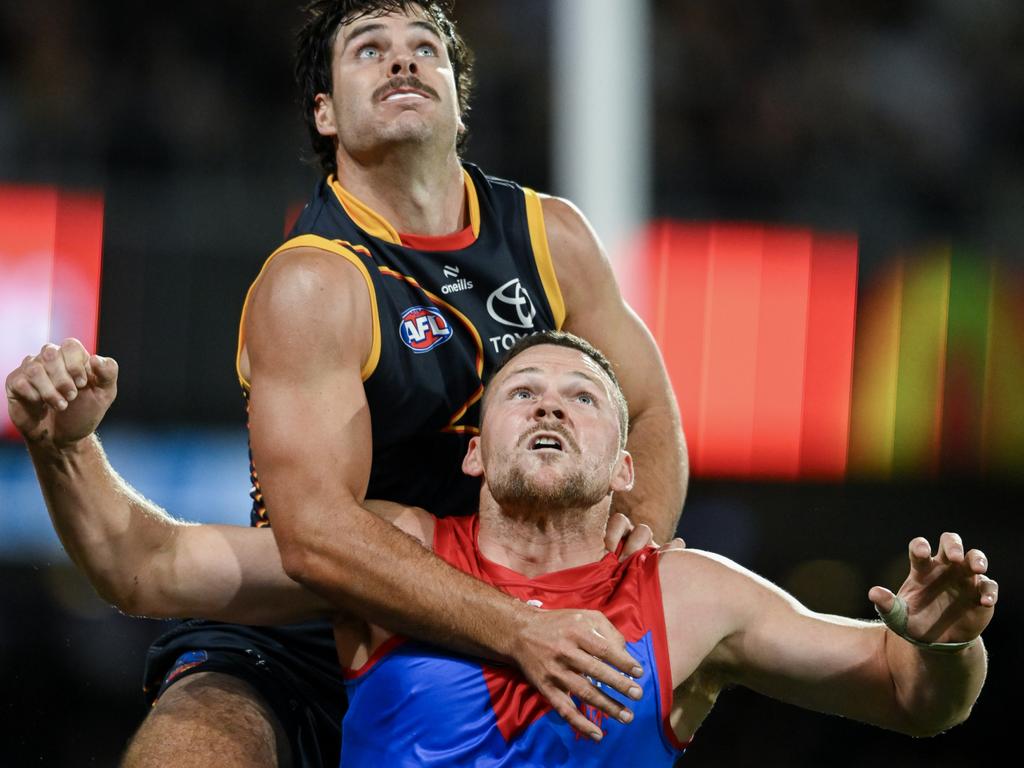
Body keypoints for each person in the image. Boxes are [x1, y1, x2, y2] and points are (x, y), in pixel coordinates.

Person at [12, 1, 688, 766]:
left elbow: (647, 408)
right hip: (322, 623)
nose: (403, 61)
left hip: (505, 611)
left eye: (424, 48)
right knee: (193, 745)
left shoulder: (551, 237)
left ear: (459, 105)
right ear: (325, 113)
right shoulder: (314, 281)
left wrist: (625, 566)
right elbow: (317, 538)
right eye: (370, 50)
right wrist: (518, 626)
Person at [6, 332, 995, 767]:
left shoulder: (689, 597)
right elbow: (146, 567)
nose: (552, 404)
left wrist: (947, 645)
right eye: (523, 393)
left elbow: (909, 697)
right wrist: (65, 448)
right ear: (475, 451)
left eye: (581, 397)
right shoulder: (388, 550)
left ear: (623, 469)